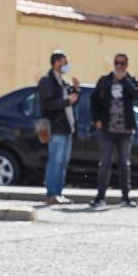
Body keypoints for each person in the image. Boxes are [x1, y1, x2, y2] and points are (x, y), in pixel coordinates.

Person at [90, 53, 138, 209]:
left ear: (126, 65)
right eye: (117, 63)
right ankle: (100, 197)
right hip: (107, 129)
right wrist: (96, 119)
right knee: (105, 163)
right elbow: (94, 99)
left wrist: (124, 80)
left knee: (124, 164)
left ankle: (125, 197)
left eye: (122, 63)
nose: (119, 66)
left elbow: (137, 95)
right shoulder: (104, 80)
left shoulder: (131, 81)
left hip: (125, 130)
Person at [36, 51, 79, 205]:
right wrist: (66, 101)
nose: (66, 65)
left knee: (63, 163)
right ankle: (51, 194)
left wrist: (76, 89)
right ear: (56, 62)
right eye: (64, 62)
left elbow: (70, 102)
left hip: (67, 128)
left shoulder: (62, 81)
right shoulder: (47, 81)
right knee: (55, 161)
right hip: (56, 128)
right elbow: (46, 104)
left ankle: (58, 193)